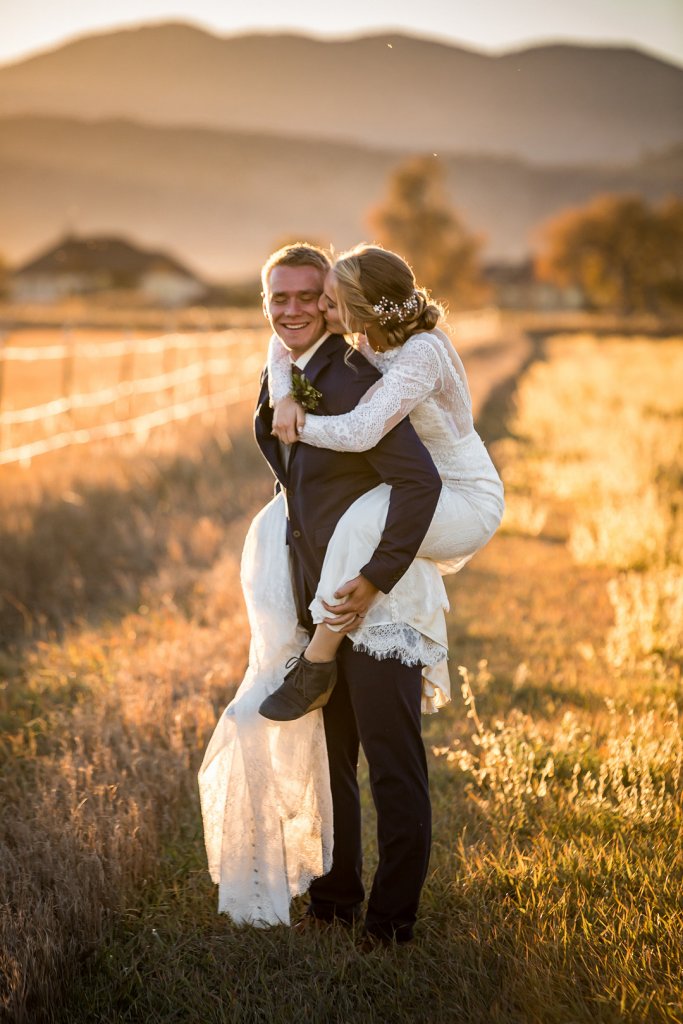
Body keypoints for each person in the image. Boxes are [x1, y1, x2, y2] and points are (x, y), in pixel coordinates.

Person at [199, 243, 447, 942]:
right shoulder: (280, 374)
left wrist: (376, 579)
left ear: (334, 305)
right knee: (330, 753)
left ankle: (392, 923)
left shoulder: (357, 377)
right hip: (311, 594)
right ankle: (335, 900)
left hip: (372, 595)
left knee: (390, 761)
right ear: (265, 304)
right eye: (279, 297)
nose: (294, 309)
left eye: (309, 296)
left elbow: (418, 482)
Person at [260, 243, 504, 719]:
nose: (318, 311)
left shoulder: (422, 353)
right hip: (418, 482)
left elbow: (361, 430)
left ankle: (317, 661)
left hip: (465, 496)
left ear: (359, 310)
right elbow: (277, 342)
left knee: (358, 525)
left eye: (329, 303)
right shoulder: (371, 338)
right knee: (358, 521)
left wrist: (298, 425)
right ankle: (326, 650)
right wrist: (284, 393)